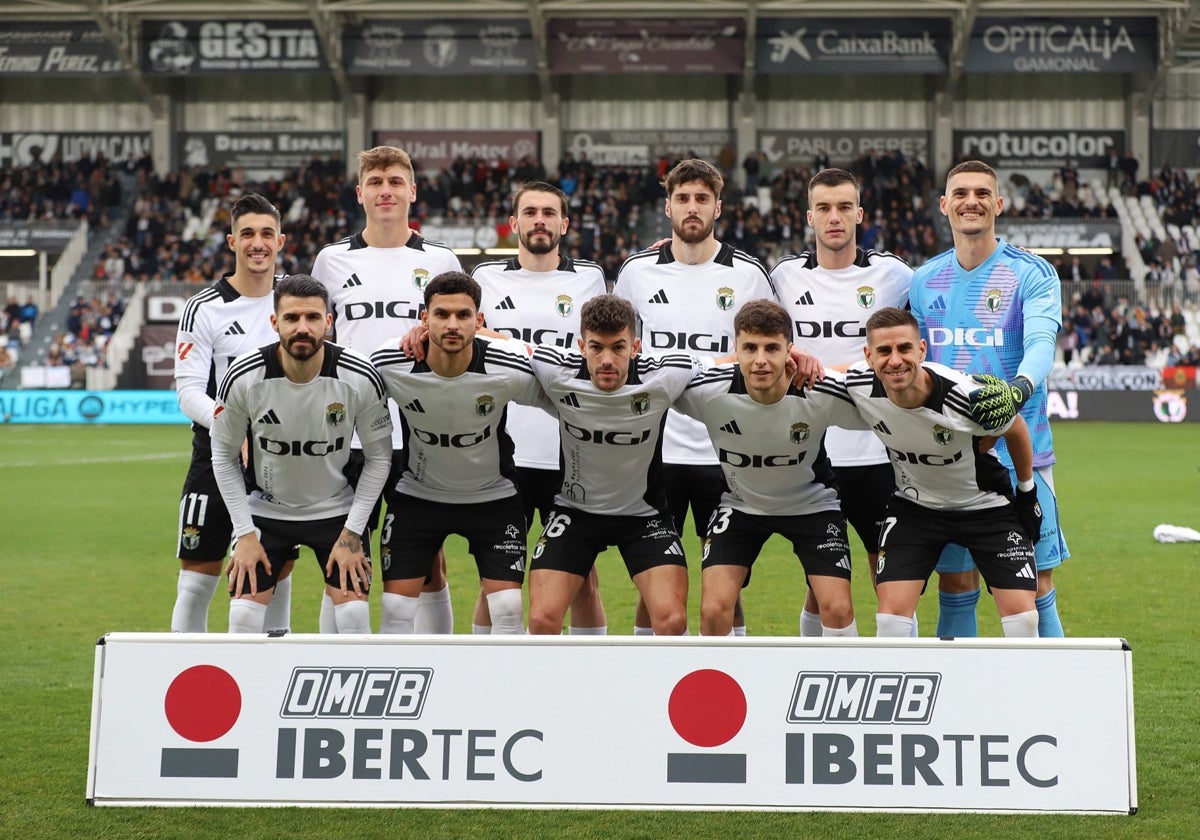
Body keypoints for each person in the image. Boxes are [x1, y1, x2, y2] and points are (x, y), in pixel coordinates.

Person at [614, 158, 775, 635]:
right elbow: (619, 352)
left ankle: (731, 673)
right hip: (655, 448)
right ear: (667, 207)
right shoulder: (637, 273)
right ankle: (651, 676)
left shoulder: (747, 275)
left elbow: (766, 356)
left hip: (724, 447)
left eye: (702, 199)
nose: (692, 207)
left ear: (718, 208)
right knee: (656, 583)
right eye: (682, 198)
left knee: (727, 585)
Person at [910, 160, 1067, 637]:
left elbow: (1042, 342)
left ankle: (1055, 709)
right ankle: (959, 708)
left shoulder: (1031, 273)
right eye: (960, 193)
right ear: (944, 206)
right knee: (955, 585)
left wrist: (1018, 389)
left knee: (1036, 588)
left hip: (1023, 456)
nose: (971, 201)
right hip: (951, 462)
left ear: (999, 204)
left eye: (982, 192)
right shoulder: (923, 280)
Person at [312, 145, 462, 634]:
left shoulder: (440, 259)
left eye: (395, 181)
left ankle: (436, 675)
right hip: (349, 435)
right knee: (341, 554)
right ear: (360, 193)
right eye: (375, 183)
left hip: (421, 430)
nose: (386, 191)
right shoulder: (331, 260)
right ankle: (334, 675)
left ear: (412, 191)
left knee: (429, 560)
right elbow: (317, 346)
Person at [770, 167, 912, 636]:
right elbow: (759, 336)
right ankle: (820, 677)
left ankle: (898, 675)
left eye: (845, 207)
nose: (835, 217)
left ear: (860, 214)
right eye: (825, 209)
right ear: (810, 217)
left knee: (886, 574)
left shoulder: (894, 275)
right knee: (821, 581)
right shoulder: (784, 278)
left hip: (876, 450)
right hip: (810, 451)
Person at [211, 274, 393, 634]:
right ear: (275, 322)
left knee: (354, 618)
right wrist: (244, 533)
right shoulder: (244, 376)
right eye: (292, 318)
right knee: (243, 618)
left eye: (312, 318)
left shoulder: (358, 375)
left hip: (336, 513)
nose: (302, 328)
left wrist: (352, 533)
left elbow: (379, 459)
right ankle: (258, 690)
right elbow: (223, 456)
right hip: (266, 511)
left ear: (329, 322)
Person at [842, 307, 1040, 638]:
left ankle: (1021, 689)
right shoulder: (859, 385)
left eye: (904, 348)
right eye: (884, 351)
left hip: (985, 507)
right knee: (890, 622)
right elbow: (823, 374)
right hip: (915, 508)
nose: (895, 361)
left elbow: (1016, 428)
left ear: (921, 349)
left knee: (1023, 620)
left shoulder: (965, 397)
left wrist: (1027, 490)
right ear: (868, 356)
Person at [673, 299, 865, 637]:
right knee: (714, 610)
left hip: (812, 505)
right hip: (741, 506)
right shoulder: (707, 391)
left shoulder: (819, 390)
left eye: (772, 348)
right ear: (735, 350)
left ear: (789, 351)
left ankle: (828, 682)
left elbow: (886, 398)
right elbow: (648, 376)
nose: (760, 360)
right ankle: (725, 686)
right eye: (749, 348)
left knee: (836, 608)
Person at [369, 272, 546, 635]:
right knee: (396, 609)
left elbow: (565, 391)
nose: (452, 324)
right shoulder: (391, 362)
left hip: (491, 495)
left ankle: (497, 689)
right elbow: (346, 391)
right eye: (441, 314)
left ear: (479, 322)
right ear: (424, 318)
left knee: (509, 608)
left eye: (463, 315)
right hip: (419, 494)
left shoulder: (507, 366)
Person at [470, 181, 609, 635]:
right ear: (513, 224)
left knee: (584, 578)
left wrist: (516, 347)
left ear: (564, 225)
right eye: (530, 212)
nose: (540, 221)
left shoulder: (589, 278)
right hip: (503, 452)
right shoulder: (486, 279)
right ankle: (486, 677)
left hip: (569, 451)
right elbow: (466, 336)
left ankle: (588, 675)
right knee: (494, 582)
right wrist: (512, 346)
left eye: (550, 213)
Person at [523, 295, 704, 635]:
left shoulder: (665, 375)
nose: (607, 360)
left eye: (618, 348)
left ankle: (653, 686)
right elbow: (503, 348)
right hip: (575, 513)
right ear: (581, 346)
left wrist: (792, 355)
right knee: (542, 620)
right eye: (596, 348)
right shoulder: (554, 370)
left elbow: (731, 364)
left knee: (672, 620)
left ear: (635, 346)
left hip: (644, 516)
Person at [170, 193, 297, 633]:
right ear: (231, 241)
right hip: (217, 454)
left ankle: (272, 676)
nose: (257, 243)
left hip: (284, 456)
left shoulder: (295, 301)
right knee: (195, 583)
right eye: (247, 234)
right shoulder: (204, 307)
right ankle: (186, 680)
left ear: (280, 240)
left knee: (276, 577)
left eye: (266, 234)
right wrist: (231, 425)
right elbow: (187, 390)